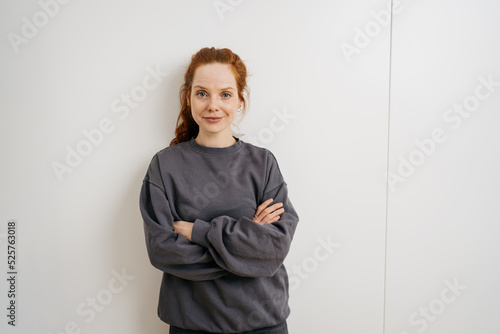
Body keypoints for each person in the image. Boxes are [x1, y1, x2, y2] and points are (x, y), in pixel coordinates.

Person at [139, 47, 299, 334]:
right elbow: (162, 251)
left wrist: (197, 232)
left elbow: (273, 249)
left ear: (239, 100)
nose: (213, 105)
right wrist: (245, 249)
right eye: (202, 93)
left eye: (225, 94)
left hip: (263, 322)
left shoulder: (262, 163)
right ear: (188, 98)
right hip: (192, 325)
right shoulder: (165, 166)